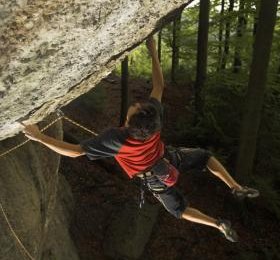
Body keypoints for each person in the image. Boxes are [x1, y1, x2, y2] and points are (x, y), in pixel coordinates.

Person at [22, 35, 259, 243]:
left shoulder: (117, 139)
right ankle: (235, 188)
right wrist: (152, 50)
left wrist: (39, 137)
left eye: (134, 107)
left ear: (128, 123)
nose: (136, 103)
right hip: (166, 160)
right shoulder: (153, 119)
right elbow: (159, 86)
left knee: (180, 209)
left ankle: (217, 223)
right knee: (205, 159)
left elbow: (76, 151)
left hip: (157, 175)